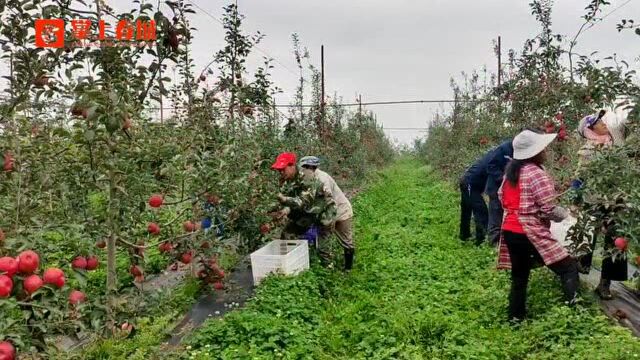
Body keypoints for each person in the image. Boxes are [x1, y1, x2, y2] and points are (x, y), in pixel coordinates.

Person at [497, 129, 579, 323]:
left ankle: (515, 318)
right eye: (543, 149)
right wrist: (567, 217)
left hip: (509, 229)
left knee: (519, 277)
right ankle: (575, 311)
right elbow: (548, 207)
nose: (546, 152)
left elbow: (501, 197)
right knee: (568, 267)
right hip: (528, 230)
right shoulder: (536, 173)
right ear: (534, 153)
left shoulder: (510, 172)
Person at [574, 110, 627, 300]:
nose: (603, 123)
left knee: (617, 239)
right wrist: (575, 200)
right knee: (589, 235)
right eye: (597, 121)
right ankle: (582, 266)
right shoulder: (587, 151)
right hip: (594, 200)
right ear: (589, 128)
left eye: (602, 119)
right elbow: (579, 178)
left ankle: (605, 284)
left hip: (618, 199)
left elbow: (627, 124)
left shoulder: (616, 140)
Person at [269, 152, 340, 264]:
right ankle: (292, 265)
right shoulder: (286, 180)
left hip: (323, 212)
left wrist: (283, 199)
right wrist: (283, 210)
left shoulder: (306, 176)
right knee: (287, 234)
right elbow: (290, 199)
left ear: (292, 166)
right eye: (279, 170)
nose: (281, 172)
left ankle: (329, 272)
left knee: (323, 249)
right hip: (306, 213)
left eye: (283, 169)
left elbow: (303, 201)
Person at [298, 156, 355, 271]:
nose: (302, 171)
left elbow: (328, 202)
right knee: (323, 242)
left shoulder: (323, 179)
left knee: (346, 241)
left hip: (342, 210)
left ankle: (348, 269)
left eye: (303, 168)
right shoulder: (308, 178)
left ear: (310, 168)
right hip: (326, 212)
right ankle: (328, 268)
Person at [460, 137, 516, 245]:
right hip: (469, 182)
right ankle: (480, 241)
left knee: (467, 209)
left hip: (470, 183)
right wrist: (504, 179)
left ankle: (464, 236)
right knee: (480, 210)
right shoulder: (502, 151)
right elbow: (491, 168)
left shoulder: (500, 151)